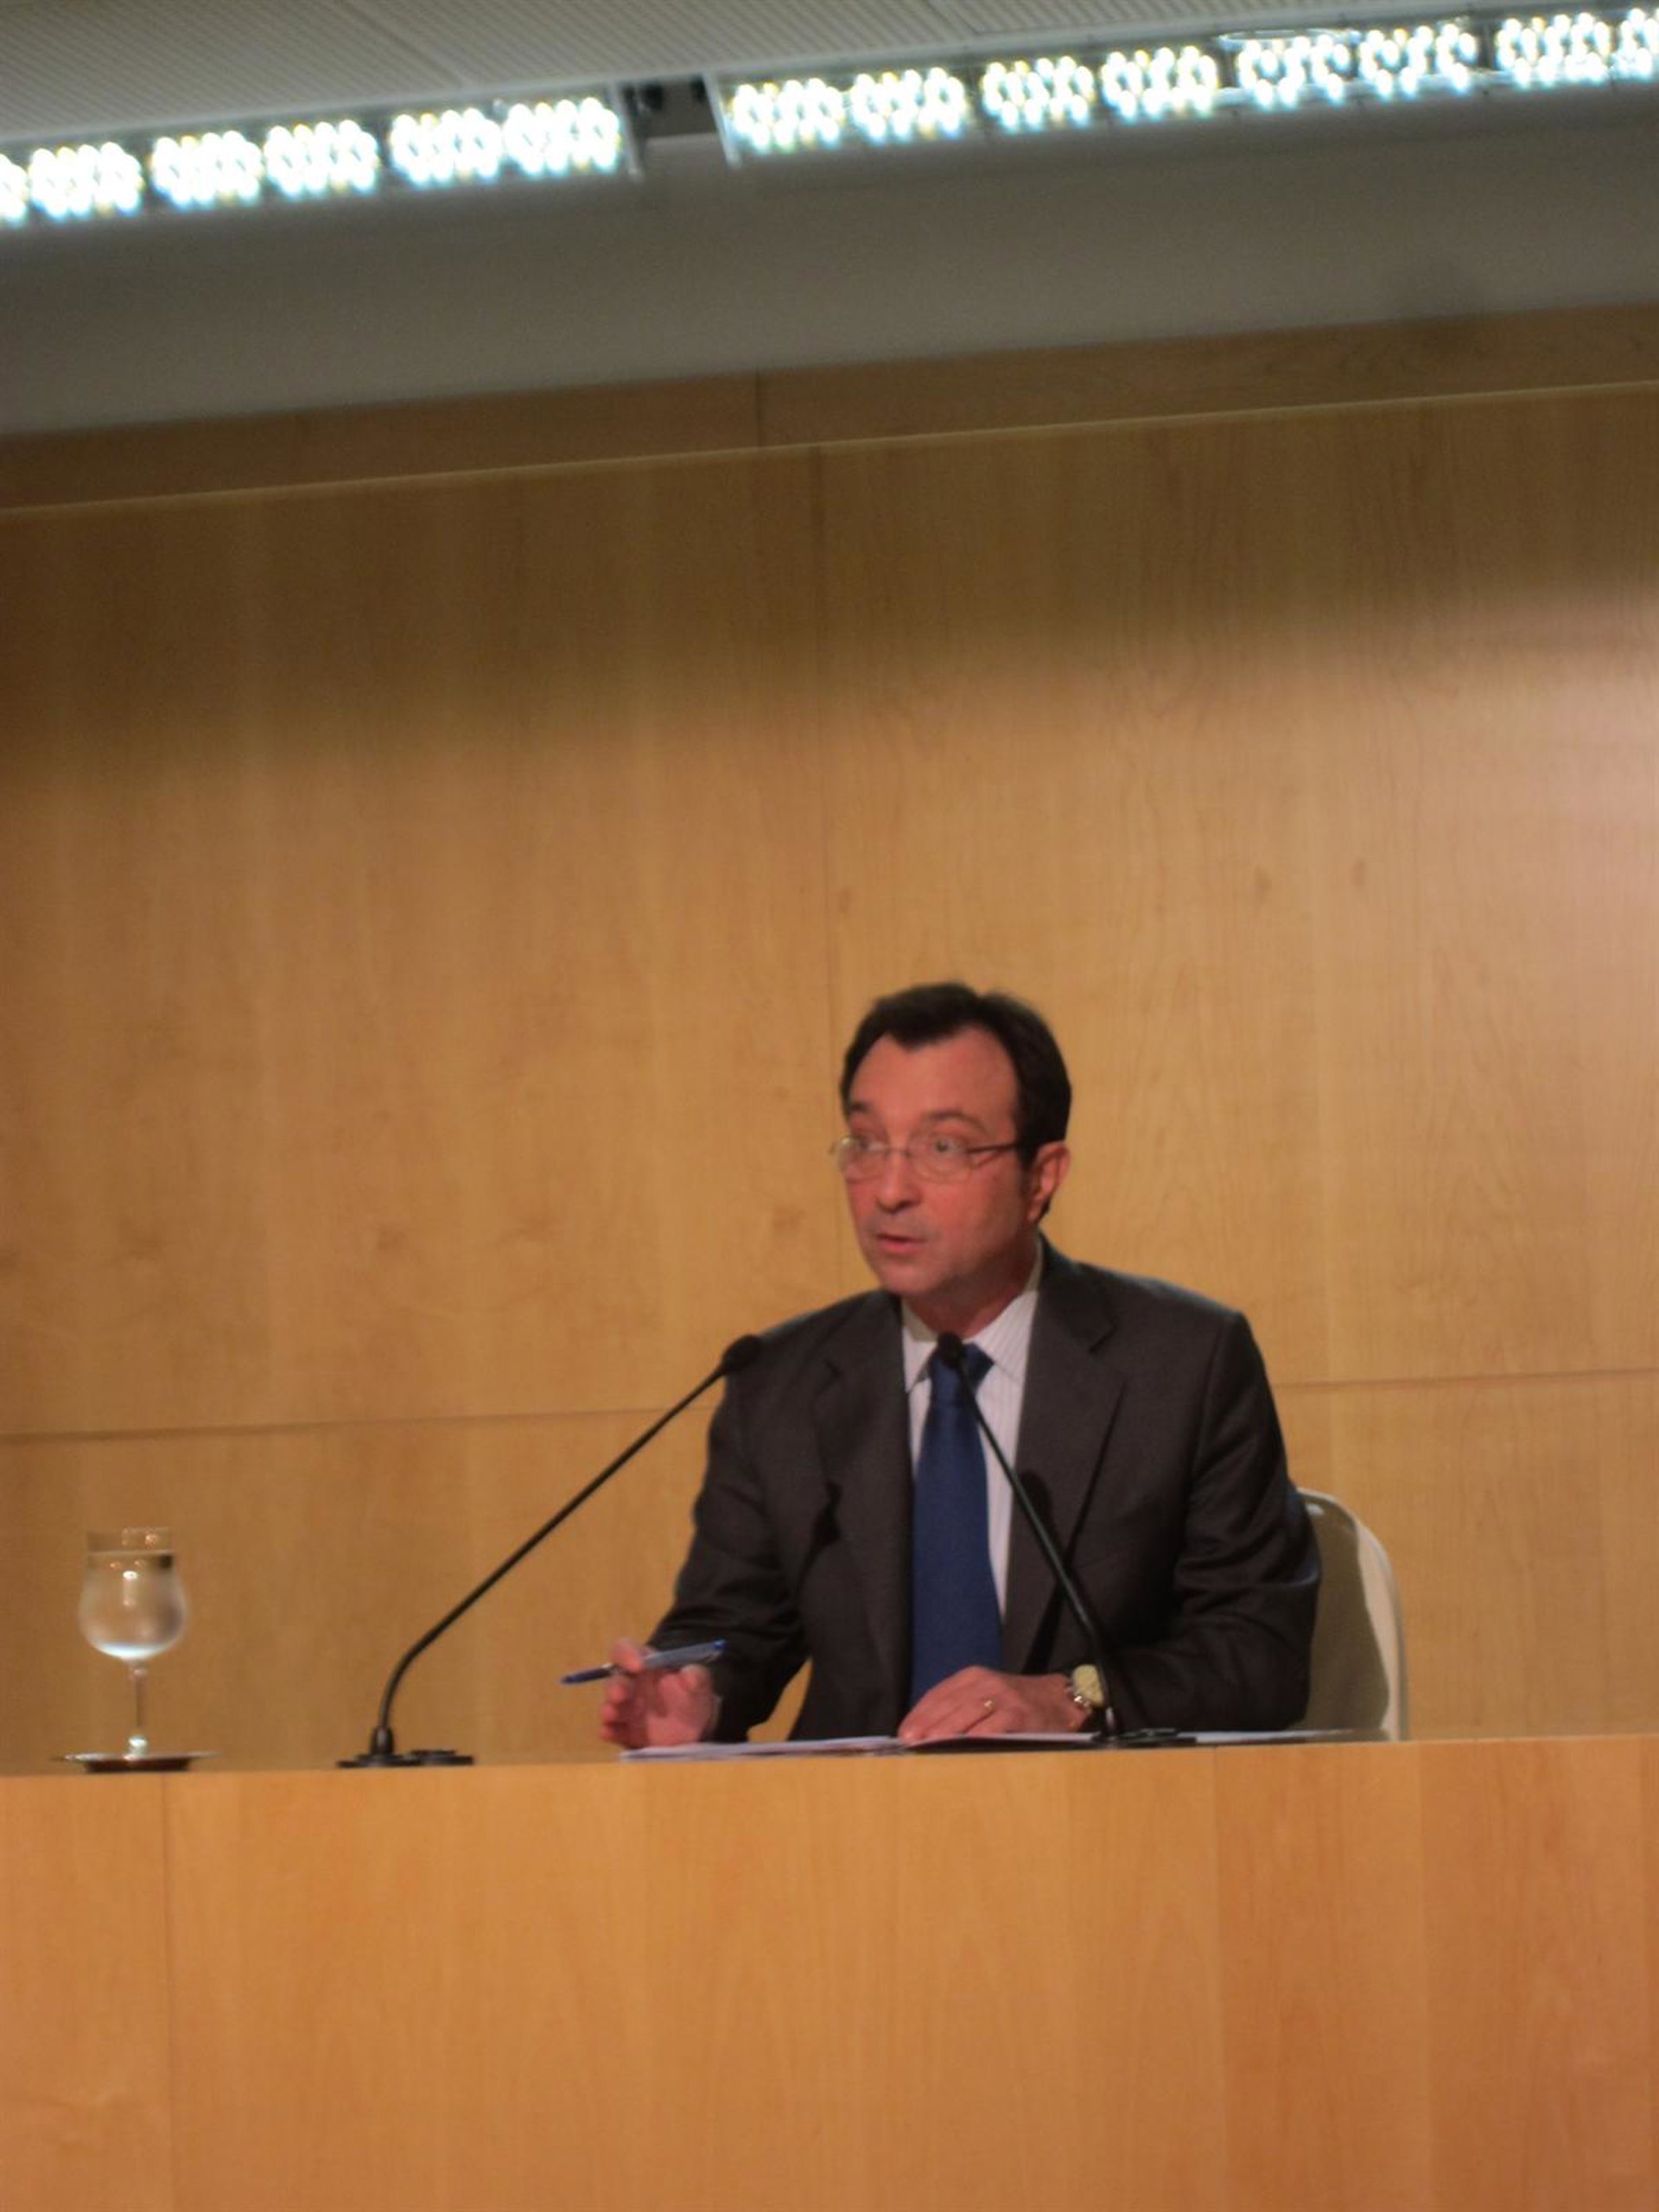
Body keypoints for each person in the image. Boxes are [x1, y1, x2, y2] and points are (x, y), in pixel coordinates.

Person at [601, 982, 1318, 1749]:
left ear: (1042, 1177)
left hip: (1102, 1809)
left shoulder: (1181, 1365)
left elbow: (1259, 1652)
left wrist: (1076, 1695)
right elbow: (730, 1626)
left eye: (942, 1148)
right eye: (866, 1144)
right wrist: (698, 1697)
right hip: (854, 1816)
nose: (890, 1190)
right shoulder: (780, 1383)